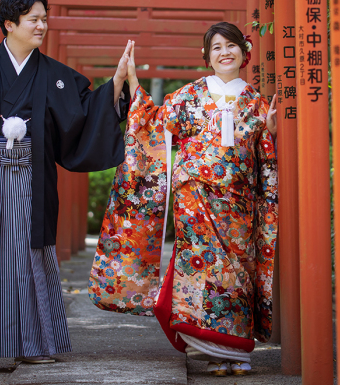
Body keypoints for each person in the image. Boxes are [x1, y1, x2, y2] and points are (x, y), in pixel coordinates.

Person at [0, 0, 134, 373]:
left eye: (45, 18)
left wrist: (114, 83)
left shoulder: (56, 76)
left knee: (32, 256)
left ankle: (34, 343)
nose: (42, 25)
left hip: (33, 181)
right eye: (34, 19)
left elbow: (85, 112)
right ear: (9, 24)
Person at [88, 22, 278, 376]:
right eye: (216, 47)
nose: (225, 52)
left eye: (231, 45)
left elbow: (265, 156)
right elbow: (152, 121)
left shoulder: (257, 103)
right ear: (207, 57)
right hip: (194, 201)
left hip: (238, 204)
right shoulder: (189, 95)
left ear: (244, 52)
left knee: (238, 270)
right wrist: (131, 80)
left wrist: (270, 131)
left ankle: (234, 350)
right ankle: (210, 347)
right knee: (201, 269)